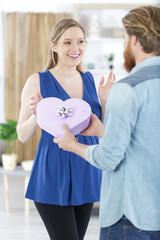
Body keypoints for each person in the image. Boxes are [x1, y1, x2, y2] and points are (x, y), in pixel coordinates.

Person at [54, 6, 160, 240]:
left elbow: (109, 158)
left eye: (123, 39)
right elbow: (146, 141)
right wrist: (103, 129)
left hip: (130, 218)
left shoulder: (128, 88)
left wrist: (72, 145)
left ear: (134, 39)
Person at [17, 18, 115, 240]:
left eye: (80, 41)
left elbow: (100, 130)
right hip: (52, 175)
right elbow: (22, 135)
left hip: (86, 171)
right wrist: (36, 114)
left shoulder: (89, 79)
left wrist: (105, 101)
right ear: (54, 46)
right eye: (67, 42)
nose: (75, 48)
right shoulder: (37, 80)